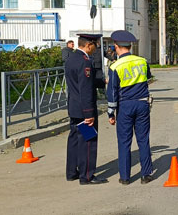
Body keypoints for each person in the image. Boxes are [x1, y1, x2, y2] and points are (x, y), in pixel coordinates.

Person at [106, 30, 154, 186]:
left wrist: (111, 113)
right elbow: (148, 77)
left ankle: (125, 177)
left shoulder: (115, 66)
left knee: (124, 142)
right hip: (142, 103)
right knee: (143, 139)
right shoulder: (142, 61)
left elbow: (112, 92)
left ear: (116, 46)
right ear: (130, 46)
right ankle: (146, 174)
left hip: (125, 106)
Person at [65, 33, 107, 185]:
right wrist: (89, 113)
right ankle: (87, 175)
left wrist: (102, 81)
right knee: (88, 141)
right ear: (89, 45)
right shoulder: (85, 62)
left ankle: (71, 172)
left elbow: (82, 81)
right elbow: (86, 89)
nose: (96, 48)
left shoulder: (71, 58)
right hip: (84, 109)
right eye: (95, 45)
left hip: (74, 107)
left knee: (74, 140)